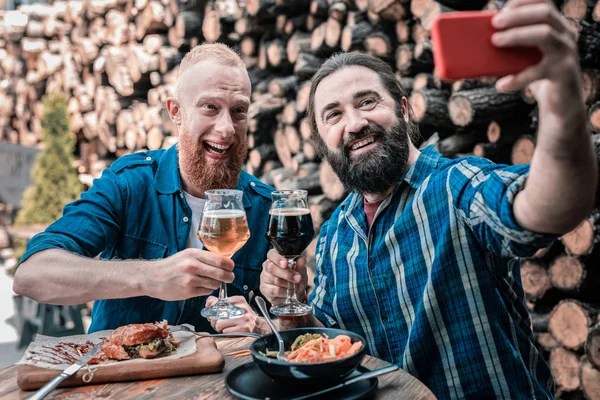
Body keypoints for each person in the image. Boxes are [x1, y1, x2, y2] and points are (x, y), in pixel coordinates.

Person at [258, 1, 597, 399]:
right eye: (333, 115)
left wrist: (562, 97)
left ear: (403, 109)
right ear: (321, 142)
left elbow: (549, 208)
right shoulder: (334, 235)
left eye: (368, 102)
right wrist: (293, 308)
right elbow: (335, 340)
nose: (354, 123)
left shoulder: (456, 185)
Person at [13, 43, 273, 335]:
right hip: (121, 376)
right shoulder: (129, 184)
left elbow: (292, 333)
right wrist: (150, 276)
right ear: (176, 111)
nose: (226, 128)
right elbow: (32, 275)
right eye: (210, 107)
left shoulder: (267, 207)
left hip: (220, 378)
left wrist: (263, 324)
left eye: (239, 111)